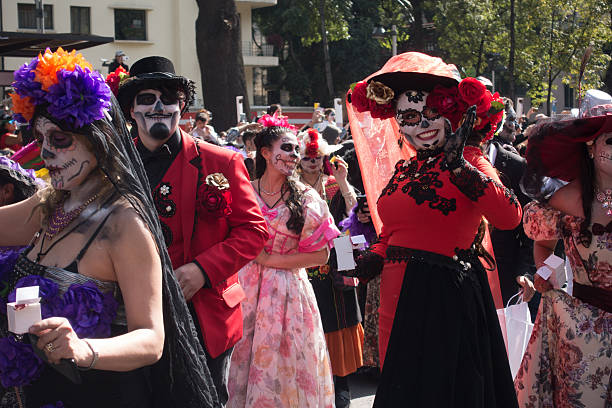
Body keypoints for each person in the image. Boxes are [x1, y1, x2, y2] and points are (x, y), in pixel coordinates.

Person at [1, 48, 218, 407]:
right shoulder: (51, 203)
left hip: (98, 395)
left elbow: (151, 338)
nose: (47, 154)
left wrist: (84, 349)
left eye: (60, 139)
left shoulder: (124, 223)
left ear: (98, 139)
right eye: (40, 140)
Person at [348, 52, 521, 407]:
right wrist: (374, 256)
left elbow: (510, 216)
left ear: (451, 114)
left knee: (442, 391)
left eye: (431, 112)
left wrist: (460, 167)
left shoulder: (469, 159)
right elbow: (392, 232)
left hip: (443, 295)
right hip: (395, 298)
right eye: (410, 116)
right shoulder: (403, 170)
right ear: (398, 122)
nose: (422, 123)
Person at [116, 56, 268, 406]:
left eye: (168, 97)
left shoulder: (221, 161)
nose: (158, 106)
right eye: (146, 98)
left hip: (203, 316)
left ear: (181, 106)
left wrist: (202, 270)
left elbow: (253, 231)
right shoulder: (115, 168)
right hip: (132, 316)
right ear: (130, 109)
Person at [227, 116, 336, 407]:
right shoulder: (243, 191)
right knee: (240, 362)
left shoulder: (307, 197)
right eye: (287, 148)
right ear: (265, 152)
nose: (294, 156)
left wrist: (271, 259)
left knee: (286, 366)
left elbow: (322, 255)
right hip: (244, 290)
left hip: (288, 292)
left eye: (296, 151)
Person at [514, 105, 612, 407]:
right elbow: (544, 244)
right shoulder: (566, 199)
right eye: (611, 140)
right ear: (590, 147)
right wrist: (545, 273)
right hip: (584, 330)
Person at [298, 128, 360, 407]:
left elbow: (354, 214)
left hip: (341, 250)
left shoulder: (333, 183)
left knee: (342, 313)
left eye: (316, 158)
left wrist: (344, 182)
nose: (312, 162)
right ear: (299, 159)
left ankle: (341, 382)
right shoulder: (290, 184)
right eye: (307, 158)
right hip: (301, 255)